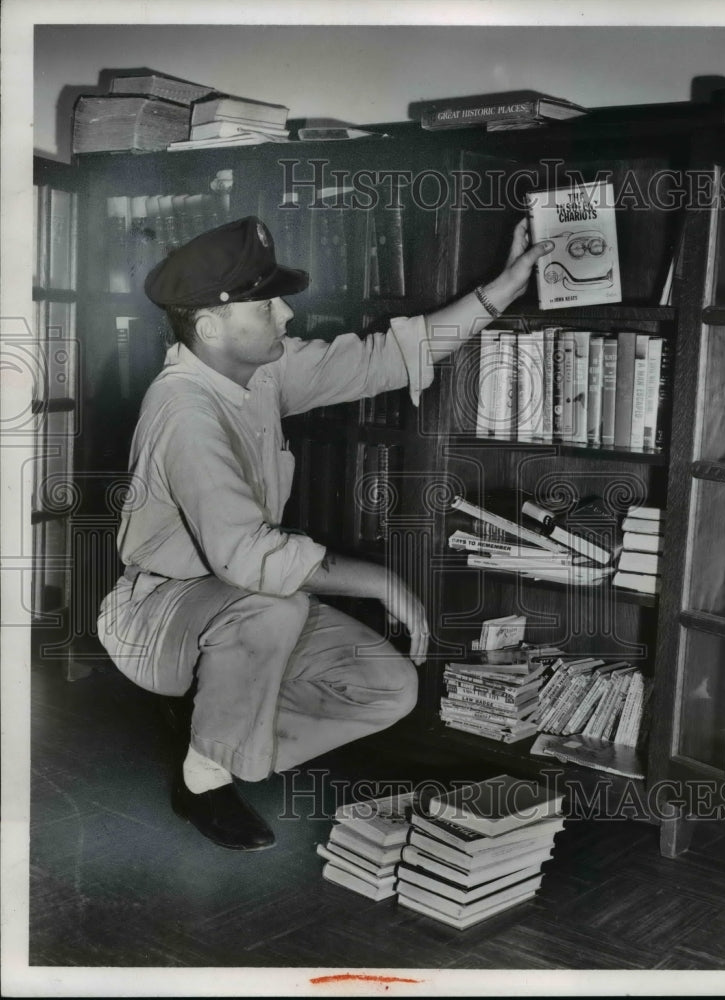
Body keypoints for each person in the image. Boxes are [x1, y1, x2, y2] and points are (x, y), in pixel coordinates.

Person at [97, 213, 551, 851]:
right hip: (160, 612)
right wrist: (381, 582)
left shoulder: (256, 372)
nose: (286, 314)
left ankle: (214, 736)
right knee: (273, 607)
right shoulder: (184, 410)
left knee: (388, 688)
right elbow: (247, 558)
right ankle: (203, 779)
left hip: (239, 605)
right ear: (210, 327)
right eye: (266, 305)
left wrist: (503, 289)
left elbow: (383, 358)